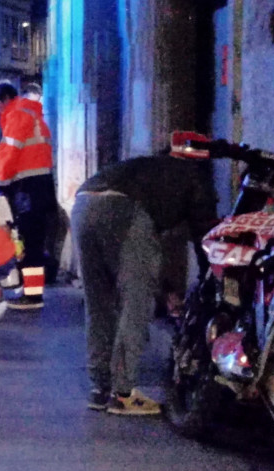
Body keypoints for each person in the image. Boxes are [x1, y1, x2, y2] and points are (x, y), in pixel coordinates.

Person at [72, 142, 216, 415]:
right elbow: (205, 235)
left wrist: (166, 287)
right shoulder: (195, 177)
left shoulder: (145, 166)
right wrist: (213, 279)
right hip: (124, 208)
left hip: (83, 203)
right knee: (136, 303)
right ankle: (123, 394)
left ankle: (100, 388)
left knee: (98, 302)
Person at [0, 81, 56, 310]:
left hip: (28, 188)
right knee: (34, 242)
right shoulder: (32, 115)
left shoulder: (17, 115)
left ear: (6, 99)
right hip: (41, 185)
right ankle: (32, 291)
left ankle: (33, 296)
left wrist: (1, 185)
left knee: (30, 241)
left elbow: (9, 154)